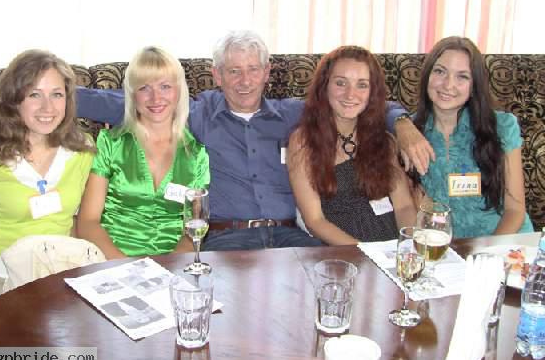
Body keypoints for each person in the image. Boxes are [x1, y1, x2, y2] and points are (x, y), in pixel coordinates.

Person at [76, 30, 432, 251]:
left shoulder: (295, 114)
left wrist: (402, 123)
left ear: (267, 73)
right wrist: (57, 96)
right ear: (217, 75)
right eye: (233, 71)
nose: (244, 81)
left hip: (292, 239)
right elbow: (128, 101)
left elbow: (357, 102)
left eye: (252, 70)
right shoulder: (197, 113)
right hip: (228, 241)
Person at [0, 50, 95, 299]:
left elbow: (90, 218)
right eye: (34, 94)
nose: (47, 107)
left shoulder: (83, 150)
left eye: (57, 94)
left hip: (57, 267)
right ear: (13, 100)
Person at [77, 46, 209, 258]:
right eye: (144, 88)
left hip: (172, 265)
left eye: (165, 86)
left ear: (179, 91)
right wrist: (127, 267)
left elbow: (194, 228)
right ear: (131, 94)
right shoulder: (110, 144)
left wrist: (170, 267)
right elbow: (88, 222)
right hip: (112, 260)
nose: (156, 98)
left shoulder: (196, 154)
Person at [288, 46, 417, 244]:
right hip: (345, 250)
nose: (350, 95)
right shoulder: (303, 141)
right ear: (324, 86)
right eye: (341, 83)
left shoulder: (383, 138)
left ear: (372, 92)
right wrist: (365, 253)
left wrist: (409, 245)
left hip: (393, 246)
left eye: (362, 85)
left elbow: (404, 206)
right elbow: (315, 221)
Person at [413, 36, 533, 238]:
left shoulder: (502, 127)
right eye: (440, 71)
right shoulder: (412, 133)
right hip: (447, 248)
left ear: (474, 86)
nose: (448, 84)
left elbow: (515, 210)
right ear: (427, 76)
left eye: (462, 76)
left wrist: (487, 252)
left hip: (506, 242)